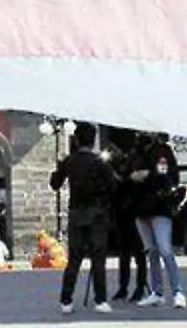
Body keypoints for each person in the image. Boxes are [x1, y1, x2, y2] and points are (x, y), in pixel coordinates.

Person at [49, 122, 117, 315]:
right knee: (98, 259)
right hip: (97, 214)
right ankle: (100, 300)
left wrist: (59, 166)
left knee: (74, 260)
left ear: (77, 139)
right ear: (93, 139)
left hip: (76, 214)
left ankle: (66, 300)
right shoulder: (99, 162)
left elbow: (55, 184)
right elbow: (113, 186)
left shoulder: (70, 161)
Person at [131, 137, 187, 310]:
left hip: (159, 208)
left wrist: (147, 175)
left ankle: (178, 291)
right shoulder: (135, 152)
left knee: (165, 249)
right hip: (140, 209)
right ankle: (157, 292)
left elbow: (169, 177)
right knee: (152, 251)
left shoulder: (162, 151)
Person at [108, 140, 149, 303]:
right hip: (120, 212)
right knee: (124, 253)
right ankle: (123, 287)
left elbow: (131, 183)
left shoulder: (137, 162)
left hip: (133, 211)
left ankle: (140, 286)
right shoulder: (117, 167)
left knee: (138, 252)